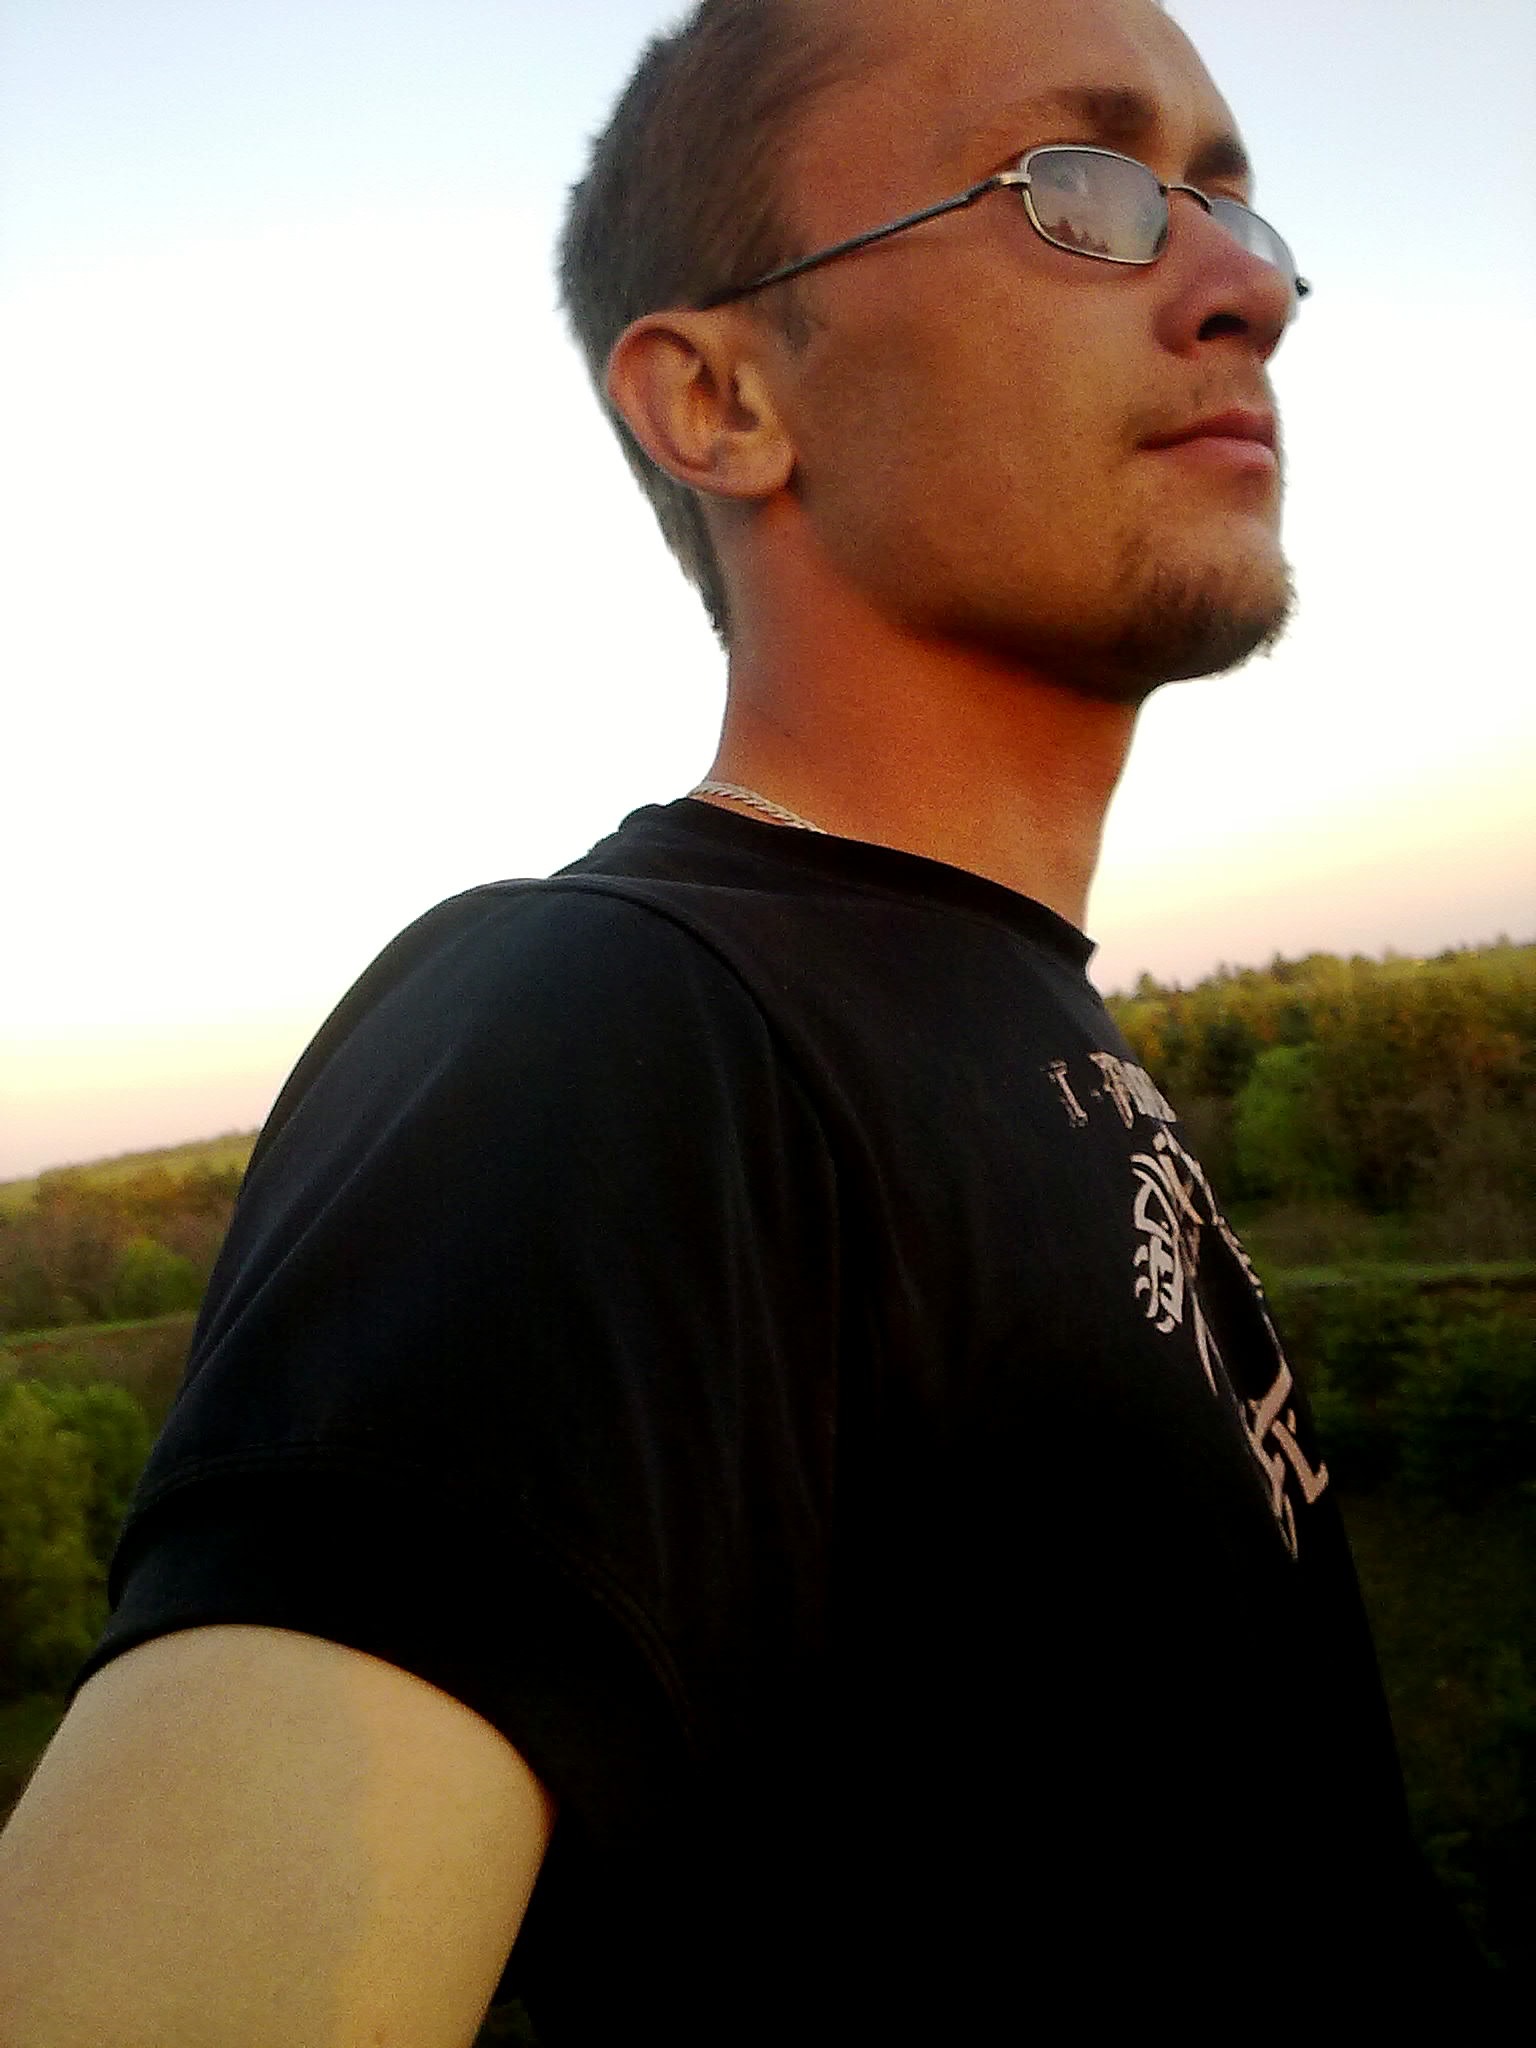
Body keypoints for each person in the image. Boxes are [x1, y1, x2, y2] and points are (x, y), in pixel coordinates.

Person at [0, 0, 1492, 2040]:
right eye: (1081, 191)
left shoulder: (991, 1011)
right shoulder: (602, 1032)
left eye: (1235, 205)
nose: (1245, 286)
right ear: (721, 399)